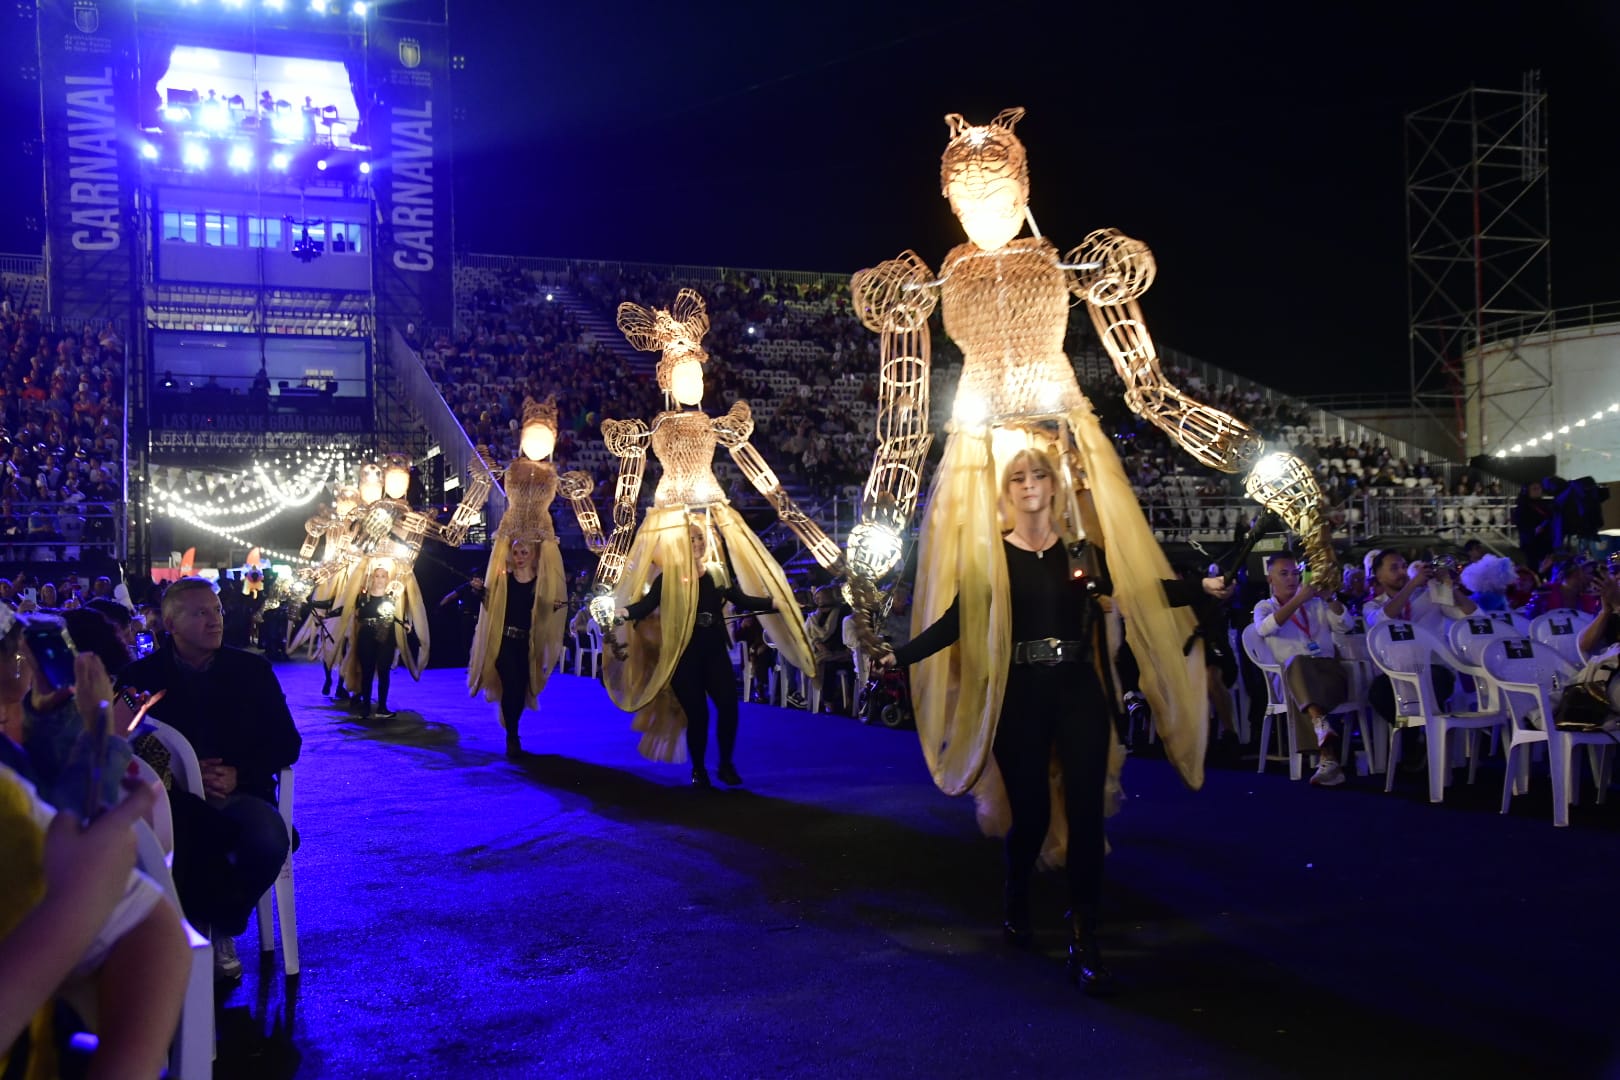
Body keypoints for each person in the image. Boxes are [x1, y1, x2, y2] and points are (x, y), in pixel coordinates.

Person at [876, 449, 1229, 994]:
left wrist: (1199, 590)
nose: (1029, 484)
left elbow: (1137, 592)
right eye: (1018, 477)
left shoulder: (1083, 551)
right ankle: (1016, 895)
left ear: (1054, 486)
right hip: (1021, 694)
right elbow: (956, 622)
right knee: (1034, 815)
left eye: (1038, 474)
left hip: (1079, 689)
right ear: (1006, 492)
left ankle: (1085, 935)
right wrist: (898, 656)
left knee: (1087, 814)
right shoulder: (991, 557)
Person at [116, 577, 300, 980]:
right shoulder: (141, 676)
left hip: (241, 793)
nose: (214, 620)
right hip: (172, 800)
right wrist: (180, 771)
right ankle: (178, 936)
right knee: (170, 840)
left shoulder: (251, 670)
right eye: (200, 613)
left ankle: (220, 925)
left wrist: (239, 773)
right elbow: (120, 746)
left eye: (216, 610)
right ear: (169, 624)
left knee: (268, 840)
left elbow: (287, 743)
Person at [617, 547, 775, 788]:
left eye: (700, 537)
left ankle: (725, 764)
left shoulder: (716, 573)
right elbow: (647, 606)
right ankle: (699, 769)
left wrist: (774, 602)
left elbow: (741, 599)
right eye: (691, 538)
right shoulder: (667, 578)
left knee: (729, 707)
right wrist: (624, 612)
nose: (697, 542)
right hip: (684, 654)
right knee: (698, 715)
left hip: (714, 651)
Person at [1253, 556, 1352, 786]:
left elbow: (1345, 625)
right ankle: (1327, 753)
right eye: (1284, 574)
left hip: (1327, 673)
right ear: (1270, 579)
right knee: (1295, 666)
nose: (1291, 578)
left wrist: (1330, 598)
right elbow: (1265, 628)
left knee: (1298, 682)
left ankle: (1322, 733)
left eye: (1295, 573)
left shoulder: (1316, 603)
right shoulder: (1265, 607)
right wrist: (1298, 600)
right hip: (1293, 678)